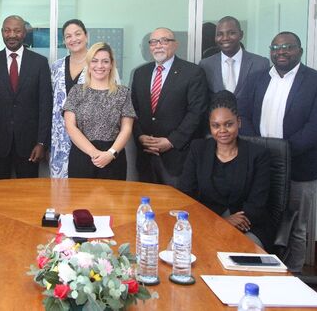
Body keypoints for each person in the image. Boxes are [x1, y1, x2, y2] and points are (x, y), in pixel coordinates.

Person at [239, 31, 317, 272]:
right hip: (260, 166)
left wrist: (282, 154)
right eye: (276, 47)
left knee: (296, 227)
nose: (281, 52)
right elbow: (244, 114)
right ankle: (262, 271)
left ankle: (294, 277)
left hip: (300, 167)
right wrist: (258, 149)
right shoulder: (257, 79)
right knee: (259, 221)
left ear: (299, 51)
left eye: (288, 47)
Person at [179, 91, 272, 249]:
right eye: (216, 125)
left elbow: (258, 203)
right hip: (206, 222)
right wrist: (220, 222)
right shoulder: (198, 149)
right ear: (210, 126)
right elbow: (185, 194)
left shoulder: (258, 154)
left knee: (240, 253)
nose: (222, 130)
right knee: (185, 250)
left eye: (228, 124)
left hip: (247, 225)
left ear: (239, 122)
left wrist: (232, 223)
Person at [131, 27, 208, 187]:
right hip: (146, 156)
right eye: (153, 42)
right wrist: (140, 136)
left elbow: (196, 112)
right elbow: (133, 109)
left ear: (175, 45)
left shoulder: (192, 72)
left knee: (175, 207)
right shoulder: (140, 73)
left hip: (177, 157)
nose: (158, 45)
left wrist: (171, 141)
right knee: (147, 204)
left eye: (164, 41)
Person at [0, 15, 52, 179]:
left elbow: (45, 105)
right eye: (7, 30)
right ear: (2, 32)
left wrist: (42, 142)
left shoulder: (39, 63)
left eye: (17, 31)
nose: (12, 35)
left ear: (24, 33)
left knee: (27, 196)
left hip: (30, 145)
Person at [63, 42, 136, 179]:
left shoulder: (123, 92)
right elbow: (70, 126)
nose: (100, 66)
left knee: (113, 200)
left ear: (111, 65)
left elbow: (126, 128)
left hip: (113, 157)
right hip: (82, 156)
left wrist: (110, 153)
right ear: (89, 65)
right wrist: (94, 153)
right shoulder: (76, 91)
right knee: (80, 200)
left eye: (105, 61)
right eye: (95, 61)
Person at [49, 19, 88, 178]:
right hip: (60, 138)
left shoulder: (99, 64)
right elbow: (50, 101)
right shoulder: (56, 67)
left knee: (86, 189)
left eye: (78, 34)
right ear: (64, 41)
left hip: (89, 136)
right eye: (68, 36)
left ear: (86, 36)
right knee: (61, 190)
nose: (74, 39)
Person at [199, 16, 269, 100]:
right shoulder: (205, 65)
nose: (225, 38)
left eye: (231, 33)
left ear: (241, 34)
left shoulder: (260, 63)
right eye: (219, 34)